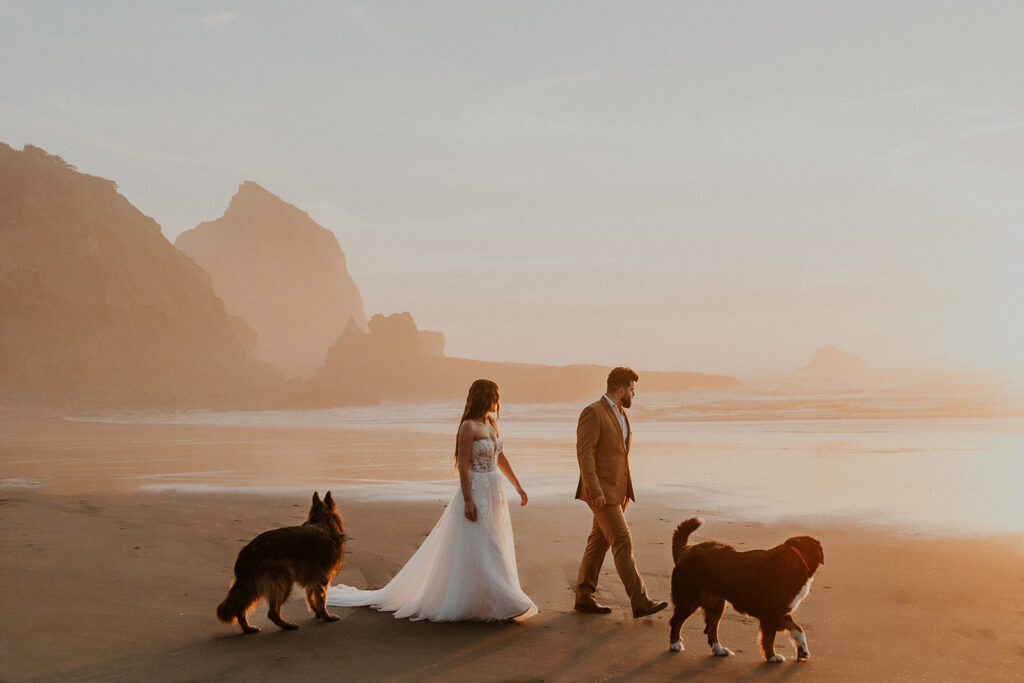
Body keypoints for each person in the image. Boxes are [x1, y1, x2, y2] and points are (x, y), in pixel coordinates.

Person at [326, 379, 537, 622]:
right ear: (482, 397)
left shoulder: (490, 422)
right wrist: (468, 500)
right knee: (484, 544)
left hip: (494, 489)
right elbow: (464, 468)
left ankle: (493, 598)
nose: (496, 401)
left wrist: (518, 485)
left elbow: (500, 457)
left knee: (495, 541)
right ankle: (505, 600)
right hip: (477, 490)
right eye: (493, 396)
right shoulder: (468, 427)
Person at [573, 367, 667, 618]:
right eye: (632, 391)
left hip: (620, 491)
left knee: (599, 541)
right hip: (601, 493)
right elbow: (585, 454)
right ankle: (640, 600)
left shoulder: (622, 415)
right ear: (621, 389)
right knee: (622, 541)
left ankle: (584, 596)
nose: (634, 396)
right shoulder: (593, 412)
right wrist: (594, 489)